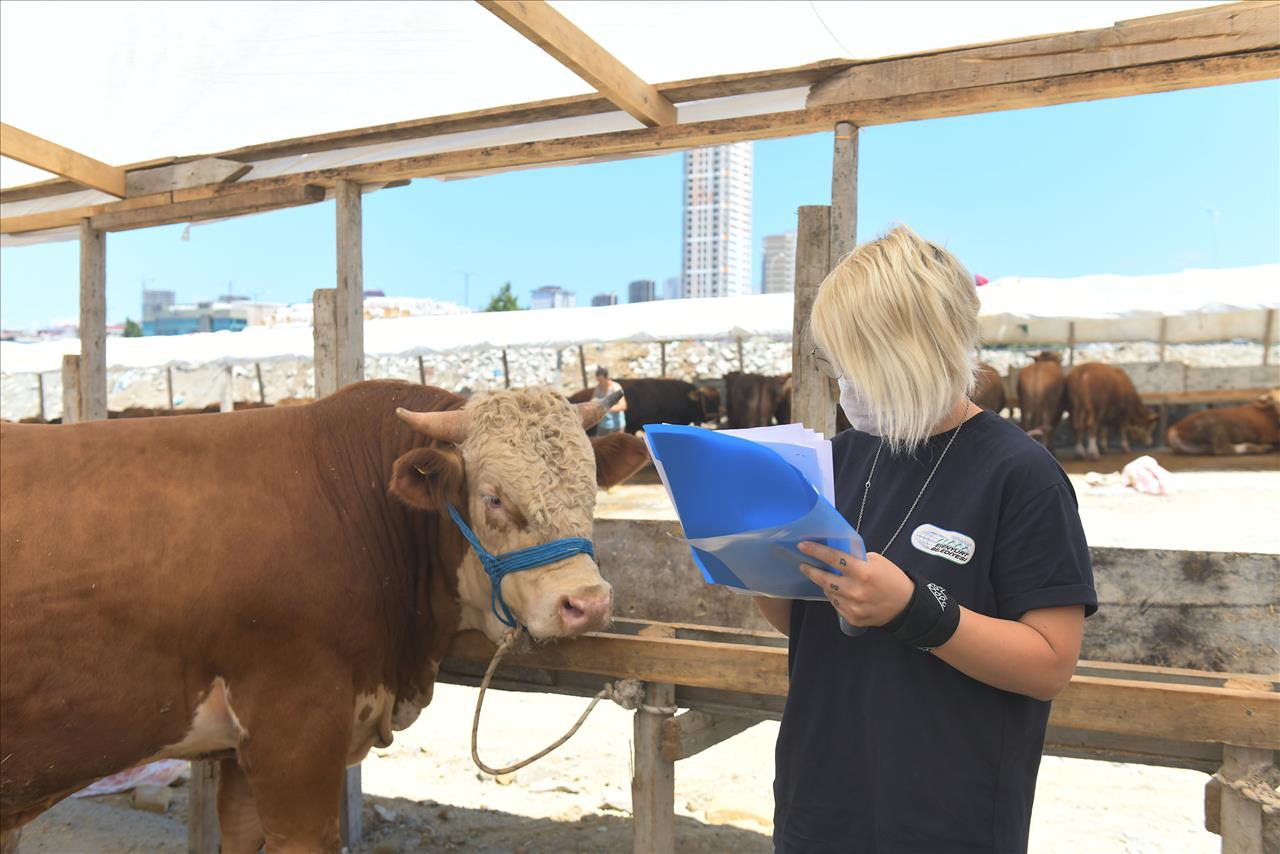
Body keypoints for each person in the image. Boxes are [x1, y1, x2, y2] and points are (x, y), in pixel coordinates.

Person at [756, 225, 1096, 854]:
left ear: (921, 354)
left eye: (861, 366)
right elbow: (800, 623)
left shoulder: (1020, 474)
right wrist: (745, 556)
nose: (846, 386)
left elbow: (1050, 663)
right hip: (819, 795)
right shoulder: (835, 460)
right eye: (838, 366)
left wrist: (915, 611)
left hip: (948, 812)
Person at [592, 366, 627, 435]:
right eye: (598, 380)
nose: (600, 382)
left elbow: (623, 406)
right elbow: (592, 400)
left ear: (606, 378)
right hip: (603, 425)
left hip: (616, 426)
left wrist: (607, 408)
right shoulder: (598, 388)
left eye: (601, 380)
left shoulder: (615, 388)